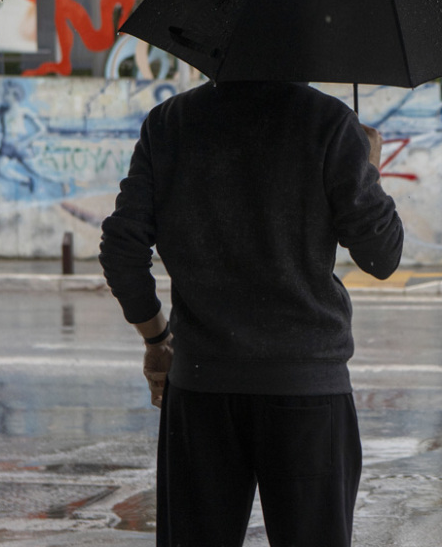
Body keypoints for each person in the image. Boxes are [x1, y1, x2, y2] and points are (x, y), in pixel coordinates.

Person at [99, 80, 403, 547]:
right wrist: (367, 167)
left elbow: (123, 248)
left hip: (201, 389)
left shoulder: (170, 123)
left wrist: (157, 339)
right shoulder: (328, 122)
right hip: (306, 392)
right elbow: (381, 256)